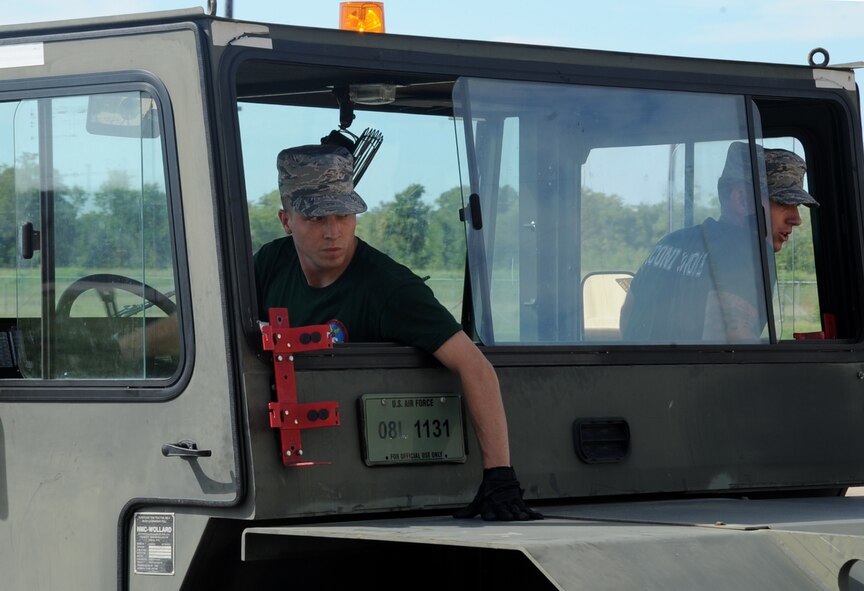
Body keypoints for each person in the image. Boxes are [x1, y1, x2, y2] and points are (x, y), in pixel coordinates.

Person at [254, 143, 541, 521]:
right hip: (285, 472)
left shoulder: (389, 288)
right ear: (286, 221)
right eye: (316, 219)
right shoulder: (270, 264)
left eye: (344, 215)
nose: (333, 232)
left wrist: (499, 476)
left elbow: (476, 367)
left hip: (363, 485)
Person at [619, 142, 819, 343]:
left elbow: (627, 318)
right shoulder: (749, 253)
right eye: (783, 203)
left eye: (797, 206)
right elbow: (729, 342)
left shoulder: (670, 243)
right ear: (741, 200)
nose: (797, 219)